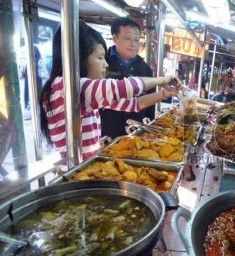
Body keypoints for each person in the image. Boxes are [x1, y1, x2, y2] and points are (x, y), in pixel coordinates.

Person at [39, 21, 181, 160]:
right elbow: (125, 87)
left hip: (89, 167)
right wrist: (163, 80)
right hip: (79, 175)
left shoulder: (84, 92)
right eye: (100, 58)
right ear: (79, 58)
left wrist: (164, 94)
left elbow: (133, 104)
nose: (105, 64)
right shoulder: (68, 87)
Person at [100, 17, 155, 138]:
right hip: (107, 134)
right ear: (115, 38)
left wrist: (150, 129)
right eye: (127, 39)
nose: (133, 44)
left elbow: (150, 105)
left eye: (136, 40)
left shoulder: (145, 69)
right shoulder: (102, 64)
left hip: (137, 134)